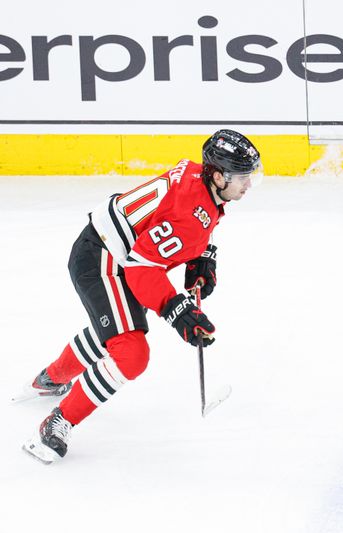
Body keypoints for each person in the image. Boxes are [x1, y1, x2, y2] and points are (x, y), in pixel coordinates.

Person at [16, 129, 262, 464]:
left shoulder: (199, 180)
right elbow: (142, 269)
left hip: (112, 251)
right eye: (242, 178)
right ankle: (57, 423)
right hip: (101, 259)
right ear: (218, 176)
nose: (248, 185)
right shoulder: (190, 209)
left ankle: (49, 379)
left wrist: (200, 255)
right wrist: (177, 311)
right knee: (131, 352)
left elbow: (171, 224)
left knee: (117, 330)